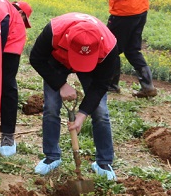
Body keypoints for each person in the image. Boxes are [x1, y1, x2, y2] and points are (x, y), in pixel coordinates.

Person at [29, 12, 119, 180]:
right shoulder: (54, 32)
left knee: (100, 111)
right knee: (51, 107)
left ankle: (103, 162)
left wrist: (82, 114)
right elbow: (36, 58)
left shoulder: (109, 47)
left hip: (94, 66)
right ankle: (52, 156)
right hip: (58, 61)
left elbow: (101, 85)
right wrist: (60, 84)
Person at [0, 0, 32, 157]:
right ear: (21, 13)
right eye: (25, 20)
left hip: (10, 46)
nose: (22, 23)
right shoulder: (1, 7)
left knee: (6, 85)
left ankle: (7, 135)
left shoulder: (16, 26)